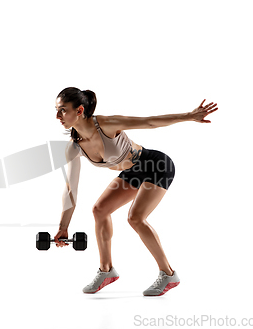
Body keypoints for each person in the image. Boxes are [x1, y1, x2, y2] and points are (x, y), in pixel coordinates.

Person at [54, 87, 218, 296]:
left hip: (155, 164)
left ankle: (168, 274)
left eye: (62, 110)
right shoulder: (74, 147)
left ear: (79, 110)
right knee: (100, 210)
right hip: (133, 171)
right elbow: (70, 190)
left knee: (135, 218)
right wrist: (63, 227)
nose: (58, 116)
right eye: (57, 110)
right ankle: (106, 271)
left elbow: (149, 122)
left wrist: (189, 116)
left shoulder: (105, 124)